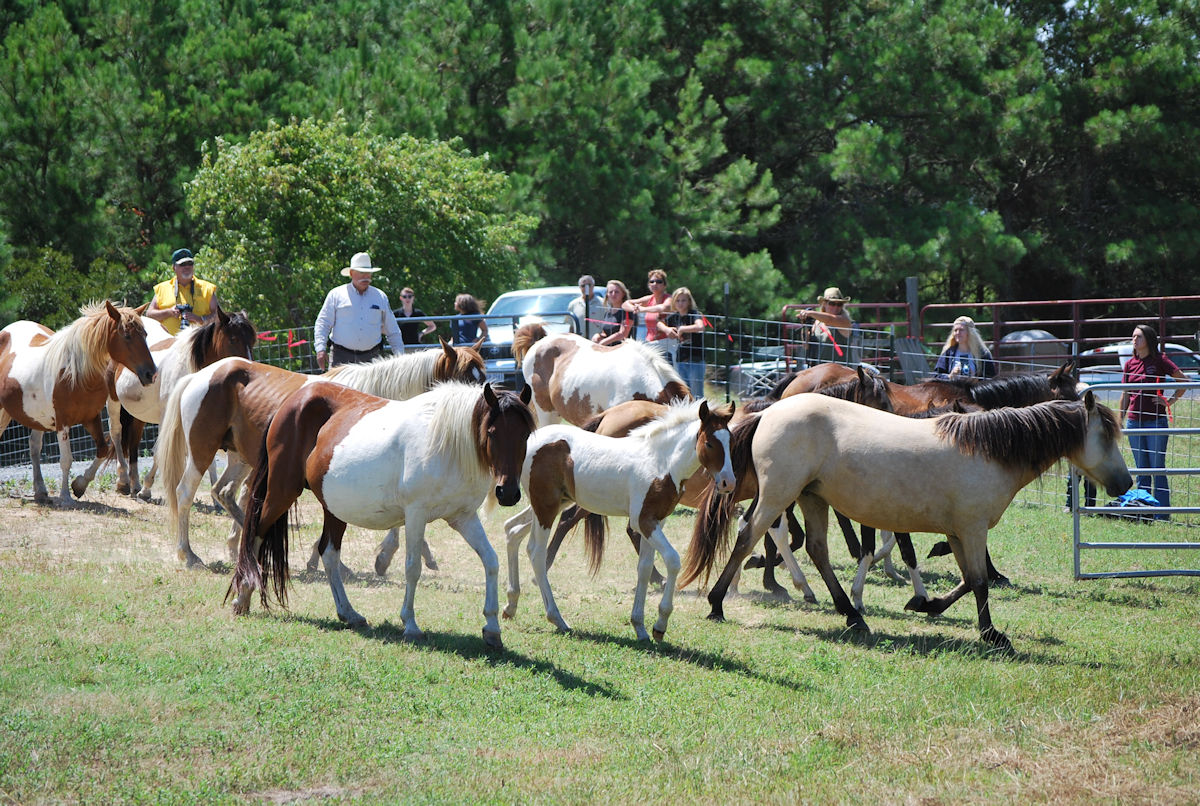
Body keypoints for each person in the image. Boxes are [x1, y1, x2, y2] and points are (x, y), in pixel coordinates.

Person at [1119, 324, 1188, 518]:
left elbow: (1183, 381)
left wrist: (1169, 401)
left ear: (1148, 340)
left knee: (1157, 467)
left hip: (1155, 421)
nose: (1134, 340)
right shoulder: (1129, 364)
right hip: (1134, 421)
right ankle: (1144, 511)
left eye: (1138, 337)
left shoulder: (1160, 360)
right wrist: (1120, 418)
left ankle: (1162, 513)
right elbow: (1125, 394)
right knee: (1142, 469)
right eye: (1133, 337)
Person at [314, 252, 405, 370]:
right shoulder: (336, 295)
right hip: (341, 357)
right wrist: (320, 349)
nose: (366, 276)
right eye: (362, 272)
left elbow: (392, 330)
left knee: (370, 389)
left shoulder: (380, 297)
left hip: (372, 359)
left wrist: (400, 356)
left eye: (368, 273)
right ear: (351, 273)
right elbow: (323, 323)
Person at [146, 248, 222, 335]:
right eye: (182, 264)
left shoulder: (207, 288)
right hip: (169, 345)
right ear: (174, 267)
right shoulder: (162, 288)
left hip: (199, 344)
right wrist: (169, 312)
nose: (187, 267)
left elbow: (218, 315)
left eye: (190, 263)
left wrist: (200, 319)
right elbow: (149, 314)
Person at [660, 287, 707, 396]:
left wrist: (682, 329)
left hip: (695, 359)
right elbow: (659, 323)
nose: (680, 303)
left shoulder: (694, 314)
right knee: (685, 392)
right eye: (677, 300)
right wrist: (667, 329)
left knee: (696, 392)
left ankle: (700, 411)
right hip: (681, 359)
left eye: (683, 300)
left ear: (689, 301)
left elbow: (700, 326)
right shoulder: (674, 317)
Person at [622, 269, 673, 358]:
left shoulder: (669, 298)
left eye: (659, 281)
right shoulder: (649, 298)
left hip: (666, 346)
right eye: (652, 281)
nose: (655, 284)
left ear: (664, 285)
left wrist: (643, 309)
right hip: (649, 343)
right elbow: (625, 304)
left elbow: (662, 308)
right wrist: (635, 308)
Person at [798, 286, 854, 365]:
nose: (836, 307)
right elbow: (806, 345)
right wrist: (805, 325)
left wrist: (810, 313)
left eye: (839, 304)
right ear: (824, 304)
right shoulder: (817, 322)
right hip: (819, 370)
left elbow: (830, 320)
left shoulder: (845, 322)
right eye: (832, 303)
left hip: (841, 372)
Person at [933, 315, 997, 379]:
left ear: (970, 333)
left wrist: (976, 379)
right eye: (955, 330)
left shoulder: (983, 353)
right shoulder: (948, 352)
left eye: (961, 330)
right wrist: (950, 376)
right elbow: (936, 375)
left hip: (974, 388)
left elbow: (991, 378)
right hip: (952, 387)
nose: (958, 333)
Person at [593, 280, 633, 346]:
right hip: (608, 349)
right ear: (607, 295)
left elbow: (623, 334)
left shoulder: (627, 311)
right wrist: (599, 336)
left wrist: (603, 342)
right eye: (611, 292)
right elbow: (606, 333)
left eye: (616, 292)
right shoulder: (608, 312)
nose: (613, 294)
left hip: (622, 349)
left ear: (623, 294)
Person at [567, 275, 599, 340]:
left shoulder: (602, 304)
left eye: (589, 285)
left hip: (598, 343)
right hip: (579, 343)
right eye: (583, 286)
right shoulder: (573, 304)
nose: (586, 288)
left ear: (593, 286)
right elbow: (571, 326)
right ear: (579, 287)